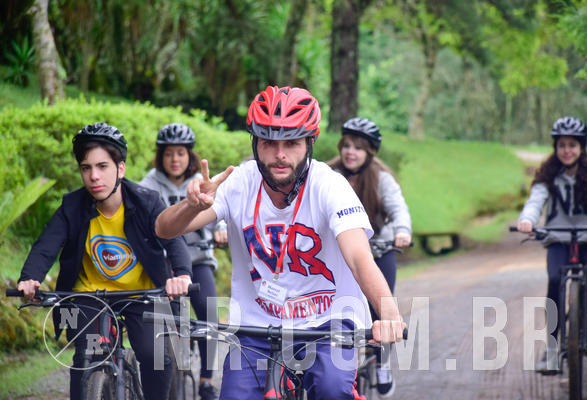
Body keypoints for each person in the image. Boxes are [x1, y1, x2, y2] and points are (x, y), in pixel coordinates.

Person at [155, 85, 407, 400]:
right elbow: (164, 229)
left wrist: (388, 312)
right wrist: (192, 205)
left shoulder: (330, 185)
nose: (279, 155)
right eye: (268, 143)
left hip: (328, 321)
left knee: (332, 389)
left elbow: (358, 257)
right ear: (255, 142)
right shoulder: (239, 182)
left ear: (310, 143)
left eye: (291, 143)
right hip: (257, 326)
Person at [16, 122, 193, 400]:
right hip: (90, 296)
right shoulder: (72, 206)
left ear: (120, 169)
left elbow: (174, 239)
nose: (93, 176)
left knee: (157, 358)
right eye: (86, 168)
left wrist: (182, 275)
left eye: (102, 166)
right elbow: (46, 246)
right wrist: (30, 277)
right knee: (86, 357)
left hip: (143, 295)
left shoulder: (147, 202)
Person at [140, 123, 226, 400]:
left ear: (190, 155)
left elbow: (218, 210)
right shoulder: (148, 184)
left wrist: (220, 230)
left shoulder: (201, 181)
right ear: (160, 156)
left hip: (198, 259)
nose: (174, 159)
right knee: (161, 317)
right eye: (168, 153)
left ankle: (206, 380)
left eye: (180, 153)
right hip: (164, 264)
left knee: (208, 313)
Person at [328, 117, 411, 396]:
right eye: (346, 146)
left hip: (379, 250)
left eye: (358, 148)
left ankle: (382, 363)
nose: (350, 152)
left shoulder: (381, 178)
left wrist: (402, 231)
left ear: (370, 152)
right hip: (340, 253)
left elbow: (399, 210)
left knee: (381, 309)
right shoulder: (329, 175)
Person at [517, 116, 587, 373]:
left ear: (581, 147)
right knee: (554, 281)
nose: (567, 151)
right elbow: (535, 201)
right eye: (562, 145)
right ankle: (552, 348)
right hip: (559, 240)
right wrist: (527, 220)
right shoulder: (548, 176)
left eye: (572, 145)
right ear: (555, 147)